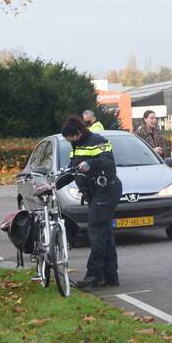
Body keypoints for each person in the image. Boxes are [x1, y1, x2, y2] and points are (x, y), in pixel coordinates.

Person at [62, 114, 122, 288]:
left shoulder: (98, 140)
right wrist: (53, 185)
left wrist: (91, 164)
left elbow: (108, 161)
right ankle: (110, 276)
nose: (70, 141)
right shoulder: (76, 145)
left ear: (79, 132)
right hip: (94, 193)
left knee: (95, 231)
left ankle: (94, 275)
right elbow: (72, 169)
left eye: (71, 137)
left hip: (107, 190)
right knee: (105, 234)